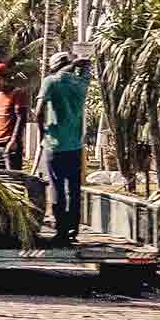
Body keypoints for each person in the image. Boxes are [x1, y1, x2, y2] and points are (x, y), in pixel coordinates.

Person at [34, 52, 90, 245]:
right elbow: (86, 66)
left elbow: (38, 111)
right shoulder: (81, 83)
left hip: (54, 145)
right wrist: (76, 63)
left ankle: (61, 231)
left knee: (57, 189)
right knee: (74, 190)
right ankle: (73, 230)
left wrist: (43, 134)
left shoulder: (50, 82)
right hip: (75, 146)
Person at [0, 62, 28, 173]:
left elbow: (21, 118)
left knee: (13, 180)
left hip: (11, 145)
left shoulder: (17, 93)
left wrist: (14, 140)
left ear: (5, 79)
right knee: (1, 181)